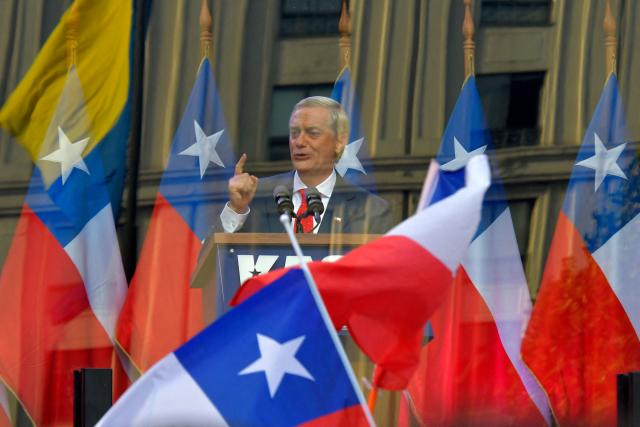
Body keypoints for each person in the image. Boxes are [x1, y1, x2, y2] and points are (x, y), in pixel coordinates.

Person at [218, 96, 392, 234]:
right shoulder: (255, 196)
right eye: (294, 133)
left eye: (313, 133)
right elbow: (210, 265)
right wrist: (236, 209)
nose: (299, 142)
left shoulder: (371, 210)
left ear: (339, 141)